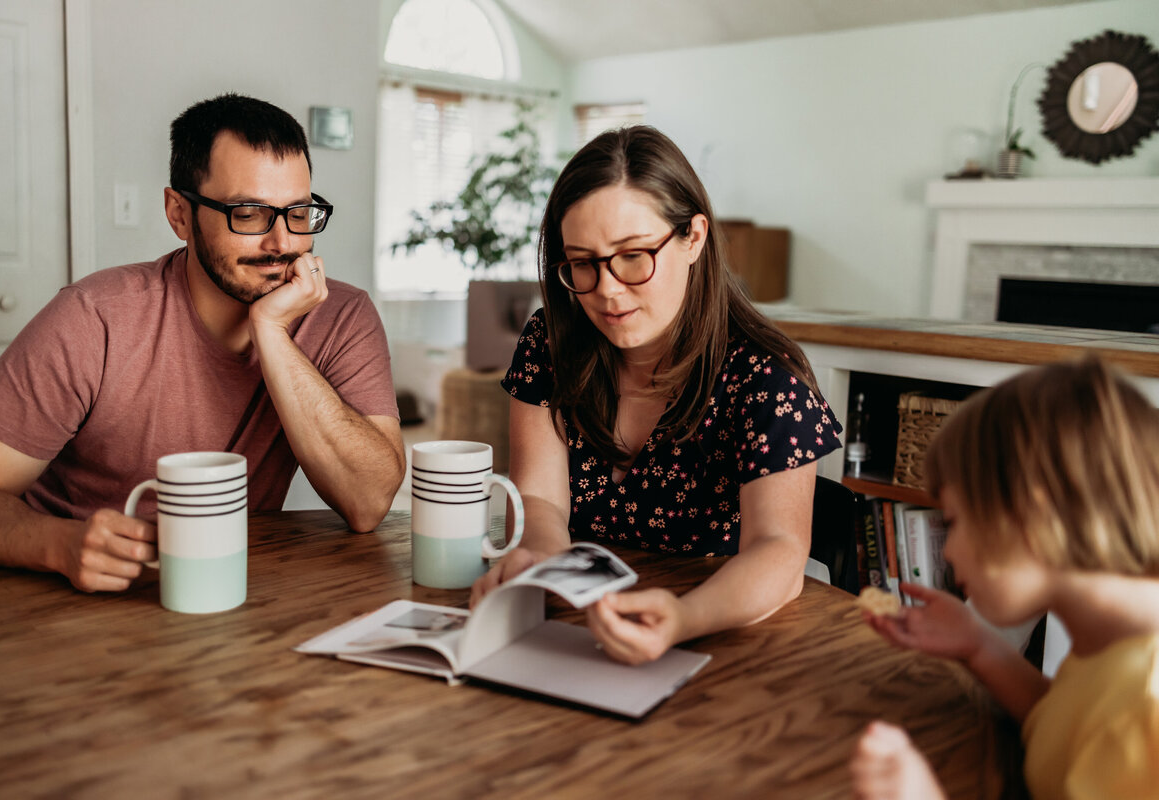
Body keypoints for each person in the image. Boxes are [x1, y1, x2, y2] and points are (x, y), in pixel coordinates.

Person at [0, 93, 404, 593]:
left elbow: (368, 503)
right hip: (61, 594)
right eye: (250, 213)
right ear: (180, 214)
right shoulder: (94, 317)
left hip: (218, 589)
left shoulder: (343, 315)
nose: (282, 243)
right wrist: (60, 544)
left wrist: (271, 332)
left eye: (298, 213)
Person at [470, 125, 843, 664]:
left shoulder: (765, 378)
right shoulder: (550, 342)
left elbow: (779, 553)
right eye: (583, 263)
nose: (607, 290)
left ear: (693, 238)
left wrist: (681, 619)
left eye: (632, 256)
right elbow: (544, 501)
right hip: (580, 634)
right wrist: (539, 564)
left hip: (717, 642)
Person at [851, 356, 1159, 800]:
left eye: (954, 521)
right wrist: (978, 643)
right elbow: (1067, 726)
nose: (950, 551)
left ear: (1032, 516)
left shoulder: (1145, 705)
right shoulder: (1113, 644)